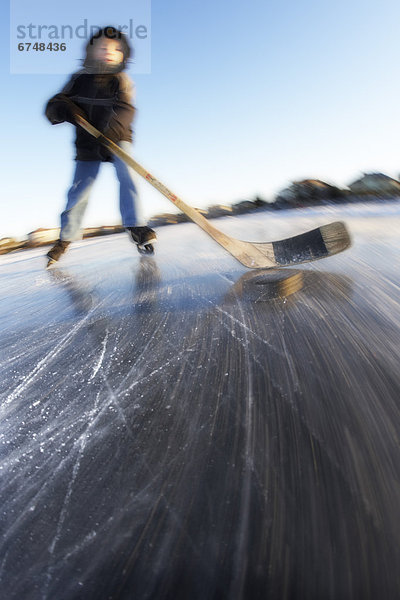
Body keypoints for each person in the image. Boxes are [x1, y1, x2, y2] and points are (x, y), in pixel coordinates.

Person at [44, 26, 156, 266]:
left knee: (128, 175)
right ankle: (65, 238)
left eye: (115, 49)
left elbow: (127, 109)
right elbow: (55, 104)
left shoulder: (121, 79)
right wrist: (62, 109)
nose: (108, 51)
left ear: (123, 55)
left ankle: (136, 225)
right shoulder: (78, 80)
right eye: (102, 47)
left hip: (117, 138)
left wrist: (112, 131)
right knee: (79, 190)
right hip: (87, 143)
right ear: (90, 51)